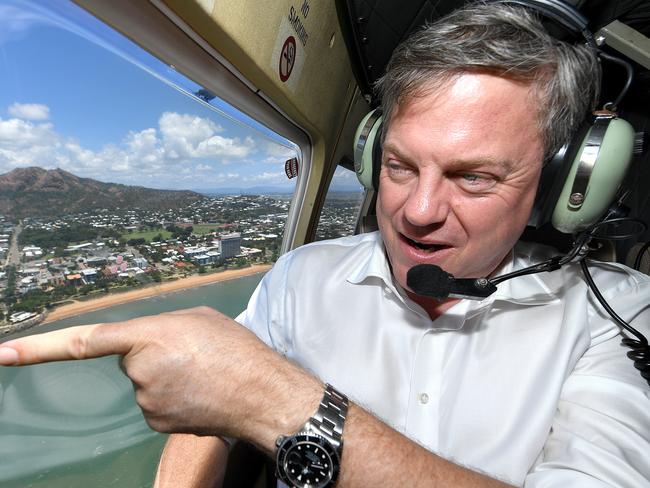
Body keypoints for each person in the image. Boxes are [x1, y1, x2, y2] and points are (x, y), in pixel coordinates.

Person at [1, 2, 649, 487]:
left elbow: (247, 388)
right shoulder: (302, 275)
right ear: (370, 156)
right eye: (399, 166)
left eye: (473, 177)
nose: (417, 212)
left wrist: (281, 403)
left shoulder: (618, 315)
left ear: (563, 188)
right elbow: (211, 405)